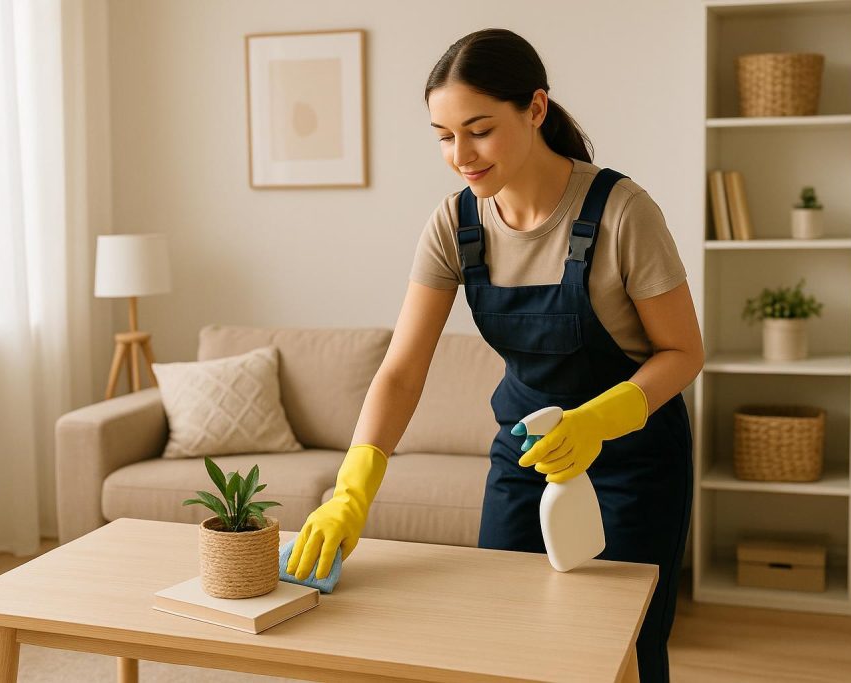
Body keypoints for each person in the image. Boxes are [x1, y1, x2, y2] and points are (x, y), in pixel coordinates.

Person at [286, 27, 703, 683]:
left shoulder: (622, 212)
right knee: (503, 638)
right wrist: (352, 489)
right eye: (444, 136)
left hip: (632, 460)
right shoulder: (456, 225)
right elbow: (401, 371)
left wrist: (595, 421)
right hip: (523, 456)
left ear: (535, 108)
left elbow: (683, 352)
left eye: (479, 131)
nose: (461, 156)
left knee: (621, 650)